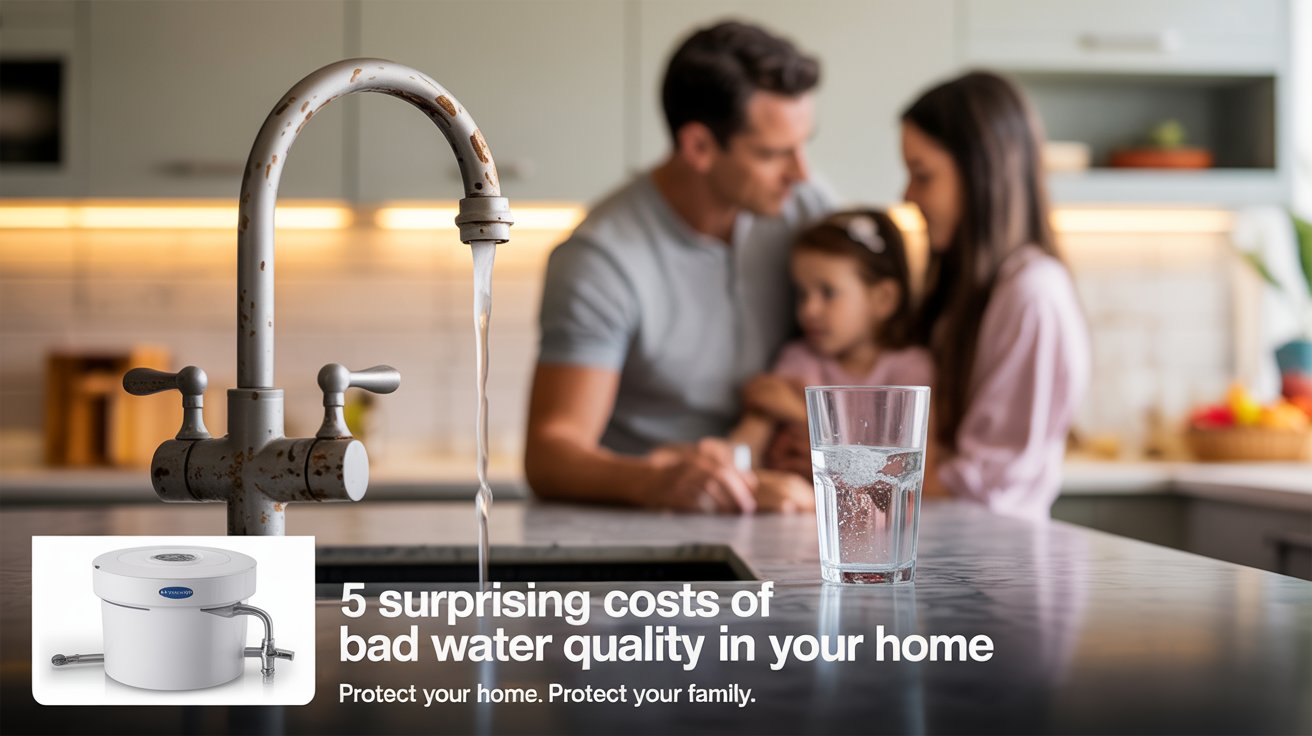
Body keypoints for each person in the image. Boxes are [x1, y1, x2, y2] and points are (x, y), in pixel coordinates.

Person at [524, 21, 833, 513]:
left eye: (803, 144)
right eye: (774, 154)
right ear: (699, 148)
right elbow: (550, 454)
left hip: (782, 516)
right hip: (644, 532)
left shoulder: (805, 211)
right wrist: (654, 481)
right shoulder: (602, 259)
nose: (802, 173)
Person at [900, 71, 1091, 520]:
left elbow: (986, 481)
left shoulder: (1032, 294)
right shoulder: (969, 291)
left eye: (922, 175)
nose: (907, 194)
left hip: (997, 563)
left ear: (980, 172)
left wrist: (843, 481)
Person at [731, 209, 932, 480]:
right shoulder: (800, 359)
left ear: (883, 299)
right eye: (802, 294)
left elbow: (912, 468)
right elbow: (751, 437)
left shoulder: (911, 370)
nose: (809, 310)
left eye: (828, 292)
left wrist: (799, 414)